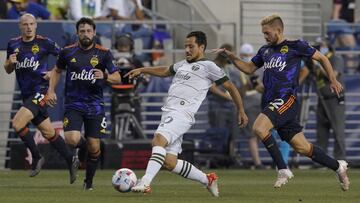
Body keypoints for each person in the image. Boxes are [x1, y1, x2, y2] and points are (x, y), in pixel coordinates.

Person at [215, 14, 349, 191]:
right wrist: (231, 56)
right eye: (263, 33)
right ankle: (338, 167)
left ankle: (283, 169)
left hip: (287, 99)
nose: (265, 36)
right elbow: (248, 69)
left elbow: (322, 58)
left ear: (278, 30)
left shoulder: (296, 46)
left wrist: (332, 79)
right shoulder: (265, 50)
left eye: (267, 32)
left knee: (259, 128)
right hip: (272, 101)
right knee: (303, 148)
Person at [124, 31, 248, 196]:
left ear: (201, 47)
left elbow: (231, 87)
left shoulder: (209, 67)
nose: (187, 50)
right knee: (169, 163)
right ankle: (207, 179)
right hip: (170, 112)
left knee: (158, 140)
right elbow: (165, 70)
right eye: (185, 46)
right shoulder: (182, 64)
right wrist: (143, 69)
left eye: (191, 46)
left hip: (182, 113)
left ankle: (145, 182)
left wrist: (241, 110)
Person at [47, 17, 121, 190]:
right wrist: (50, 90)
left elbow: (117, 78)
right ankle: (80, 150)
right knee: (71, 139)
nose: (86, 34)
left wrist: (105, 76)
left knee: (95, 147)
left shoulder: (104, 53)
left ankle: (88, 182)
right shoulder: (67, 52)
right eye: (82, 31)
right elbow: (57, 71)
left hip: (95, 105)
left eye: (88, 31)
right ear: (77, 33)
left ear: (94, 32)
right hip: (73, 104)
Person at [4, 13, 78, 182]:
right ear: (20, 26)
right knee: (48, 131)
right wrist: (9, 62)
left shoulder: (45, 43)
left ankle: (37, 156)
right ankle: (70, 158)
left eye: (31, 24)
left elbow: (66, 59)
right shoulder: (13, 44)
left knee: (17, 123)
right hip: (27, 94)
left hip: (41, 91)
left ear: (36, 25)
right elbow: (8, 69)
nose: (28, 27)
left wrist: (53, 72)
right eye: (25, 24)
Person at [302, 40, 346, 162]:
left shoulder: (336, 59)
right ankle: (321, 160)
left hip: (335, 100)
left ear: (328, 46)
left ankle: (340, 159)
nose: (319, 49)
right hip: (322, 99)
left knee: (338, 130)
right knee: (321, 131)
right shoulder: (317, 60)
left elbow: (334, 76)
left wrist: (318, 66)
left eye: (321, 46)